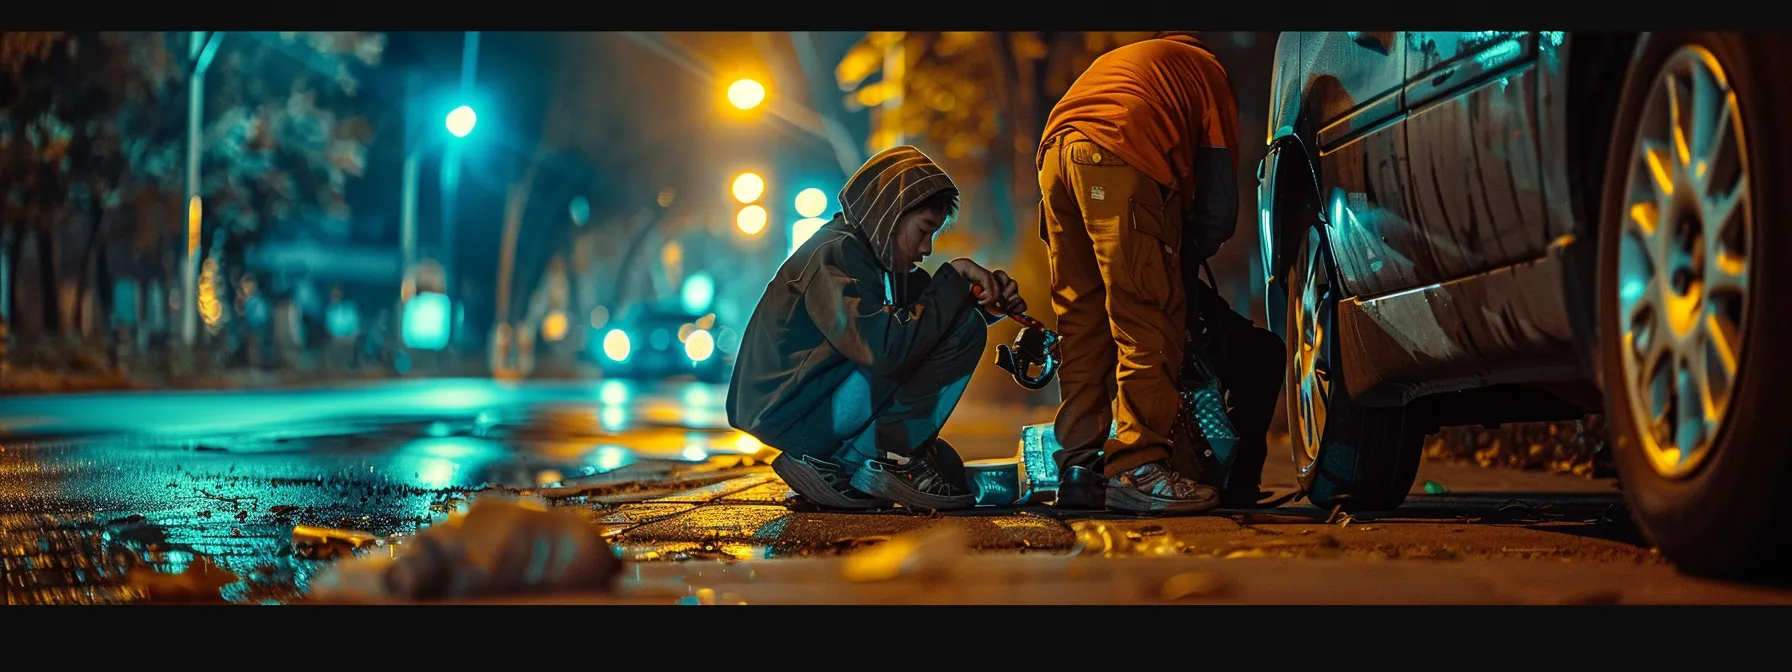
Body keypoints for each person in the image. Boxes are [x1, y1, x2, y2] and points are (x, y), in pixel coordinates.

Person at [1035, 31, 1284, 513]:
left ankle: (1079, 471)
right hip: (1118, 153)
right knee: (1146, 316)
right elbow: (1218, 205)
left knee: (1082, 324)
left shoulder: (1129, 63)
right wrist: (1183, 258)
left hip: (1055, 160)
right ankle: (1138, 465)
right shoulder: (1208, 73)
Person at [727, 145, 1025, 512]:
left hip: (815, 409)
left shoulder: (875, 262)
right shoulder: (835, 253)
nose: (927, 248)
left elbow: (933, 324)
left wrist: (982, 307)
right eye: (924, 231)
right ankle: (876, 460)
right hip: (799, 418)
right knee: (959, 335)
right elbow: (882, 348)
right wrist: (957, 275)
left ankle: (855, 460)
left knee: (947, 466)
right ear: (891, 215)